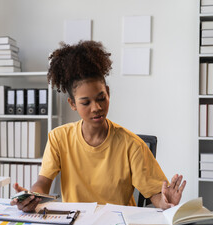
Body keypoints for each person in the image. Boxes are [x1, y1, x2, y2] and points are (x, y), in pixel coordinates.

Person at [11, 40, 186, 212]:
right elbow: (43, 183)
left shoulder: (132, 144)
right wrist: (32, 197)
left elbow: (155, 194)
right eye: (85, 102)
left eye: (101, 98)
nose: (97, 108)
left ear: (108, 93)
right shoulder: (59, 138)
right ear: (73, 104)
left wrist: (165, 202)